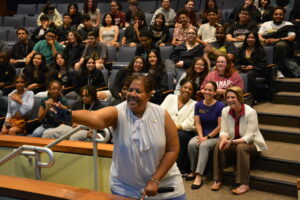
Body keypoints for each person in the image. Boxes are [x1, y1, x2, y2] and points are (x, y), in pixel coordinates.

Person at [54, 74, 186, 199]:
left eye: (138, 91)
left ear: (149, 94)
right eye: (130, 90)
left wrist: (155, 179)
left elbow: (172, 150)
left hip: (165, 185)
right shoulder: (118, 112)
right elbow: (95, 117)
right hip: (125, 187)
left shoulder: (162, 114)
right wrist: (69, 114)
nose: (132, 94)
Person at [211, 86, 267, 195]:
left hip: (252, 144)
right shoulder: (225, 110)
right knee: (219, 143)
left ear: (240, 98)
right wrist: (223, 139)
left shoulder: (251, 112)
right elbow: (223, 131)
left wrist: (231, 142)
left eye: (233, 97)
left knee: (241, 147)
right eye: (228, 97)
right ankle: (217, 179)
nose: (230, 100)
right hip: (234, 141)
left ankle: (244, 184)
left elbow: (249, 137)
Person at [187, 81, 225, 189]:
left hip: (215, 136)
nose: (207, 92)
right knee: (191, 143)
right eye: (205, 89)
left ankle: (199, 176)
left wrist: (207, 137)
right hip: (202, 134)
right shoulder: (198, 105)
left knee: (204, 145)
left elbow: (220, 127)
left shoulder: (220, 106)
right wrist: (201, 136)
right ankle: (193, 170)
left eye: (210, 90)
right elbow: (198, 123)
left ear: (214, 92)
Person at [161, 78, 196, 175]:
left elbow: (191, 122)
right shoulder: (170, 97)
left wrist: (179, 126)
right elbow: (161, 112)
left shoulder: (195, 104)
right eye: (185, 87)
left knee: (179, 135)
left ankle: (176, 168)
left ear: (192, 92)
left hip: (184, 132)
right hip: (165, 128)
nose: (187, 90)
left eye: (190, 89)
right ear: (180, 88)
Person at [258, 7, 296, 78]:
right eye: (276, 14)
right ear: (272, 15)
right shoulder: (266, 24)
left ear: (284, 15)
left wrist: (278, 39)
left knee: (280, 45)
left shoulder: (288, 24)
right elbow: (259, 35)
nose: (278, 16)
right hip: (267, 42)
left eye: (280, 14)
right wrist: (264, 40)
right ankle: (262, 69)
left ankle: (278, 69)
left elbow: (292, 37)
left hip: (282, 43)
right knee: (259, 44)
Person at [236, 32, 273, 100]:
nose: (250, 39)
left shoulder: (260, 50)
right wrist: (241, 67)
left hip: (258, 70)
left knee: (250, 74)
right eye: (248, 37)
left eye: (252, 38)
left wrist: (253, 67)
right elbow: (237, 63)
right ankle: (238, 96)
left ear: (256, 39)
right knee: (236, 73)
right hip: (244, 69)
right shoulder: (241, 50)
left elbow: (263, 64)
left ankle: (251, 97)